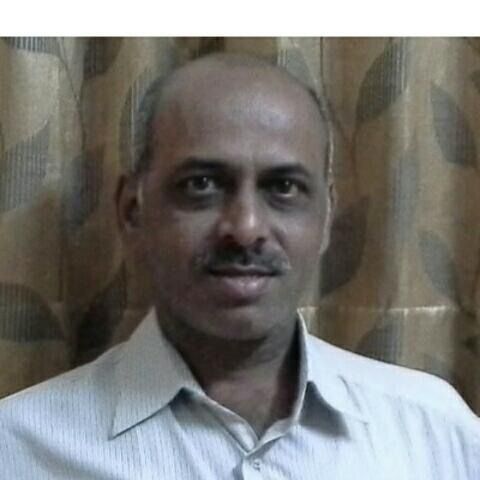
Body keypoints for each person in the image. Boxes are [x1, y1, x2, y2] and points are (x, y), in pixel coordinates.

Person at [0, 53, 478, 479]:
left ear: (326, 217)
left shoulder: (437, 434)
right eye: (202, 184)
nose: (246, 229)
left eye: (284, 187)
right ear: (132, 211)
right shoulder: (18, 448)